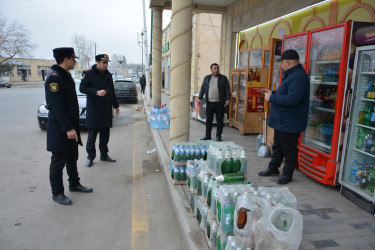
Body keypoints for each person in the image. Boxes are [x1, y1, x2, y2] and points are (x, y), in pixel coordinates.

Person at [45, 47, 93, 205]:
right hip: (60, 129)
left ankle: (74, 183)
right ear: (66, 59)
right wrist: (68, 129)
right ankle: (57, 193)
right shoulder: (54, 78)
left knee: (72, 157)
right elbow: (58, 107)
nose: (75, 61)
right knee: (58, 162)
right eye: (73, 59)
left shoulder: (66, 76)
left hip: (71, 126)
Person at [258, 49, 310, 185]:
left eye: (282, 63)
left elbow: (293, 99)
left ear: (287, 62)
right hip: (283, 120)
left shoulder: (298, 76)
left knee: (289, 150)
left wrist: (272, 98)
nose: (281, 65)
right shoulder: (292, 75)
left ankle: (287, 175)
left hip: (290, 121)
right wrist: (273, 93)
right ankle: (273, 168)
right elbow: (286, 93)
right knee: (278, 146)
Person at [80, 54, 120, 167]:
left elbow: (111, 91)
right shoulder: (88, 73)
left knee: (105, 136)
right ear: (97, 62)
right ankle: (90, 157)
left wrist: (116, 105)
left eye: (107, 62)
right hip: (94, 111)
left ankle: (104, 155)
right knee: (92, 137)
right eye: (104, 62)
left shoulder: (108, 74)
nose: (106, 65)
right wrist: (96, 92)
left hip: (106, 111)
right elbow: (82, 88)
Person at [198, 63, 230, 142]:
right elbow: (202, 88)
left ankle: (218, 136)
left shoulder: (223, 78)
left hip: (220, 103)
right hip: (209, 103)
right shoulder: (207, 78)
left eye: (217, 68)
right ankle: (207, 135)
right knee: (209, 120)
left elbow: (227, 89)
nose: (216, 70)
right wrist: (200, 98)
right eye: (214, 68)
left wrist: (228, 99)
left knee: (220, 120)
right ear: (211, 70)